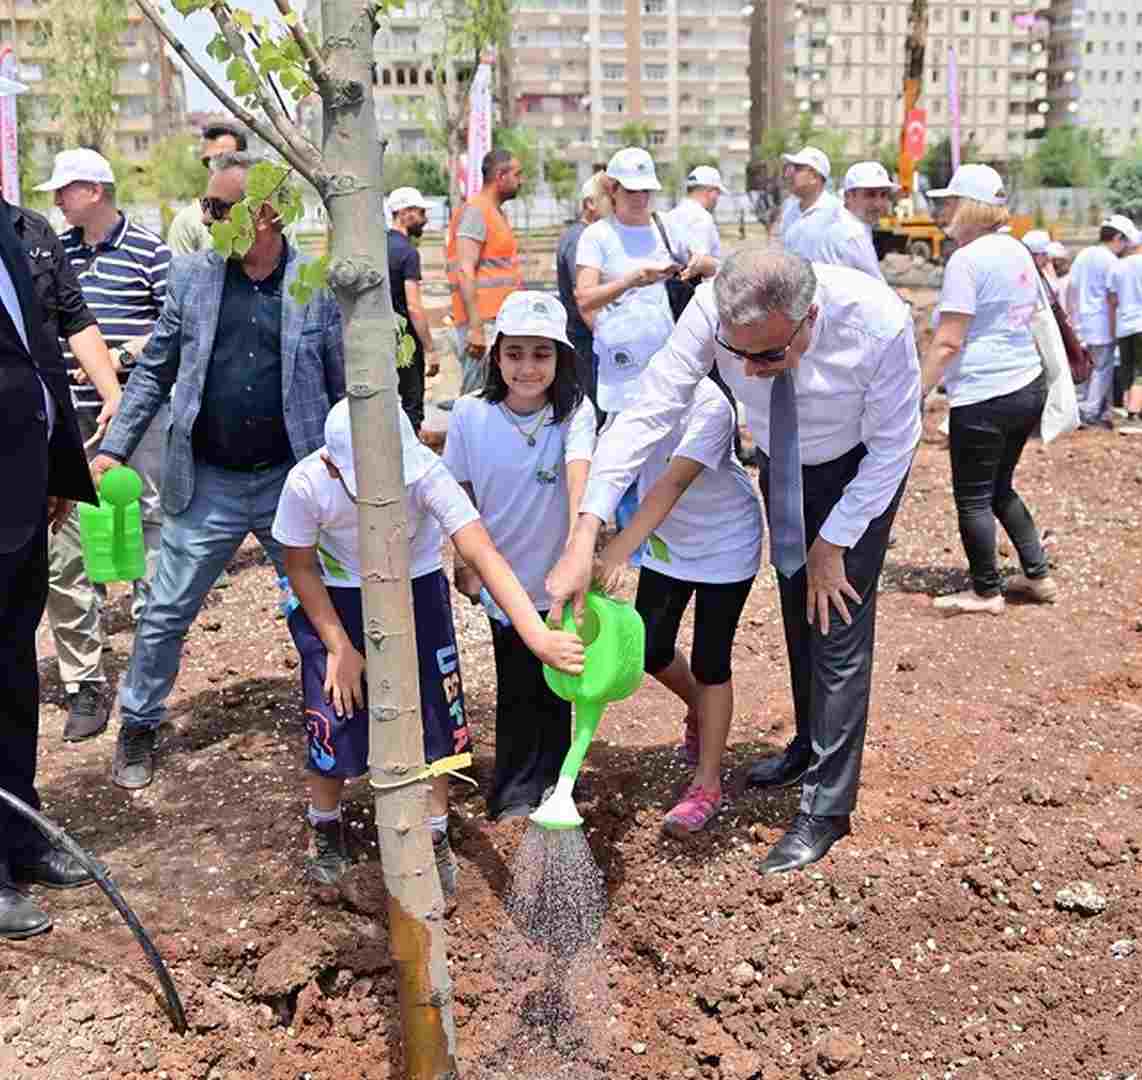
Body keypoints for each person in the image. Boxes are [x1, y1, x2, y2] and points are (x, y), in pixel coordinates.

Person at [547, 248, 920, 874]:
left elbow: (894, 445)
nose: (747, 370)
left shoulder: (879, 322)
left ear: (810, 319)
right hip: (784, 460)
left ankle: (825, 809)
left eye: (768, 356)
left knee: (836, 622)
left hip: (859, 471)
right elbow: (650, 412)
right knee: (798, 601)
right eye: (736, 354)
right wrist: (586, 531)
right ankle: (807, 745)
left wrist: (835, 543)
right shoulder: (710, 308)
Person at [89, 152, 345, 790]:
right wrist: (112, 449)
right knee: (166, 609)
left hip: (296, 480)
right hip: (211, 482)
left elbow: (343, 388)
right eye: (207, 206)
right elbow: (155, 372)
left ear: (268, 214)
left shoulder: (315, 284)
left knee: (327, 607)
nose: (208, 219)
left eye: (218, 208)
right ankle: (140, 722)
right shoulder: (194, 278)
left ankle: (342, 720)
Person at [272, 399, 584, 901]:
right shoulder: (309, 483)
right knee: (335, 712)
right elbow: (301, 566)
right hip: (336, 595)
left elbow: (480, 549)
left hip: (416, 588)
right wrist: (339, 646)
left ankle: (435, 833)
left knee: (438, 713)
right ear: (334, 465)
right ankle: (326, 826)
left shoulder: (425, 474)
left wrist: (537, 636)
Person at [32, 148, 172, 739]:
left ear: (93, 190)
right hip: (68, 428)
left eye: (64, 191)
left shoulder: (150, 251)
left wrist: (123, 362)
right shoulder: (51, 252)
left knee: (147, 543)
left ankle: (147, 670)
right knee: (68, 558)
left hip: (135, 425)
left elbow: (177, 327)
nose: (57, 201)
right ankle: (84, 683)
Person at [443, 291, 597, 819]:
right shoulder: (469, 414)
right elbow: (458, 490)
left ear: (560, 359)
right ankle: (511, 790)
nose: (527, 367)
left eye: (540, 354)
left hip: (555, 578)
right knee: (514, 682)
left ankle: (557, 784)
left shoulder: (574, 412)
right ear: (496, 356)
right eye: (515, 354)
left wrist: (581, 552)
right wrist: (465, 565)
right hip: (501, 578)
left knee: (557, 686)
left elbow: (581, 483)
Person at [594, 377, 762, 836]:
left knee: (711, 661)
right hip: (669, 541)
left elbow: (671, 483)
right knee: (650, 648)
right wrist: (588, 534)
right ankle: (701, 710)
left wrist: (617, 550)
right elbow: (609, 465)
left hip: (725, 540)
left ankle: (707, 785)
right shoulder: (630, 394)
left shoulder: (710, 407)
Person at [0, 196, 100, 939]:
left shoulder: (17, 229)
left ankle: (23, 830)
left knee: (14, 672)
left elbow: (42, 353)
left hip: (24, 489)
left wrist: (61, 468)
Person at [919, 165, 1055, 615]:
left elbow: (949, 340)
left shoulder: (967, 260)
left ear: (971, 206)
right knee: (1000, 488)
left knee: (973, 495)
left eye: (950, 201)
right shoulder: (1016, 250)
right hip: (1026, 383)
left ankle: (985, 590)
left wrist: (917, 390)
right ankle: (1037, 575)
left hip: (985, 392)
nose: (945, 210)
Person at [575, 147, 713, 417]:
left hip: (666, 361)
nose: (639, 198)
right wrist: (631, 281)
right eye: (631, 191)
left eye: (645, 191)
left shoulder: (667, 228)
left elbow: (712, 266)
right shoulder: (597, 236)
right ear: (613, 189)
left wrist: (699, 263)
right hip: (620, 368)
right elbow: (585, 298)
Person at [444, 149, 524, 396]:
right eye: (517, 174)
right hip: (481, 322)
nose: (521, 180)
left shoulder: (494, 211)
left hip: (495, 320)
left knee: (492, 399)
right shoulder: (477, 211)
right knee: (475, 400)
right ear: (500, 176)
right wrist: (475, 327)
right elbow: (465, 269)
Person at [1066, 213, 1136, 429]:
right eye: (1124, 241)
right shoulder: (1111, 261)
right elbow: (1112, 295)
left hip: (1083, 322)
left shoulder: (1084, 254)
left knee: (1087, 368)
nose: (1125, 247)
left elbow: (1072, 287)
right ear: (1117, 237)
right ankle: (1090, 411)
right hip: (1103, 322)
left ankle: (1090, 409)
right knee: (1102, 369)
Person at [556, 172, 610, 415]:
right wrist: (607, 338)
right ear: (591, 203)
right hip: (588, 342)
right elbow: (585, 298)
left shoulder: (588, 236)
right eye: (610, 198)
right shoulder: (581, 239)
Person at [387, 186, 439, 433]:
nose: (425, 219)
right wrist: (430, 348)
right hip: (404, 342)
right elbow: (414, 306)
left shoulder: (376, 247)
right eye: (420, 212)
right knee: (411, 407)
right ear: (404, 213)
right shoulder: (408, 253)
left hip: (378, 339)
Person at [788, 161, 895, 280]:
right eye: (870, 195)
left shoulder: (833, 219)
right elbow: (879, 288)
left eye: (884, 195)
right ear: (848, 196)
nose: (878, 204)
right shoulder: (853, 234)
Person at [166, 121, 247, 256]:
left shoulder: (269, 217)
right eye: (208, 161)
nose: (213, 166)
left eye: (223, 159)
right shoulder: (187, 222)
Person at [664, 164, 728, 267]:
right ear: (710, 191)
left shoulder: (670, 216)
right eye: (718, 193)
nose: (717, 198)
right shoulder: (701, 218)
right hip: (697, 282)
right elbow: (700, 263)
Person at [779, 146, 839, 255]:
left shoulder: (837, 213)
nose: (788, 174)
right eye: (789, 168)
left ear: (814, 177)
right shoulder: (789, 209)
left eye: (797, 168)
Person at [1112, 235, 1142, 433]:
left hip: (1124, 324)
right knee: (1141, 371)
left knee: (1127, 367)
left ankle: (1126, 408)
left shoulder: (1118, 266)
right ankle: (1133, 415)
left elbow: (1112, 299)